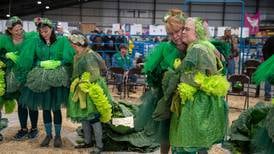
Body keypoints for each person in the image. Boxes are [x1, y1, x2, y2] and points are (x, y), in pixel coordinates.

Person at [168, 17, 229, 153]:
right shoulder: (208, 46)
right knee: (201, 143)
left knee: (187, 142)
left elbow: (193, 78)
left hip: (196, 103)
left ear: (197, 33)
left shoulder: (196, 49)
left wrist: (177, 73)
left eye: (187, 29)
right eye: (183, 28)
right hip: (208, 100)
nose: (183, 32)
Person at [134, 8, 187, 154]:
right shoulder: (165, 48)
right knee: (165, 129)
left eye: (178, 31)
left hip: (188, 98)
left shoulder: (193, 47)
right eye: (171, 34)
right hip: (167, 97)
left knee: (183, 132)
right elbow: (152, 71)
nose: (175, 36)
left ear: (185, 29)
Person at [17, 18, 75, 147]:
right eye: (41, 32)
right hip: (41, 79)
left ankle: (58, 136)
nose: (44, 34)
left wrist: (59, 62)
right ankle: (48, 135)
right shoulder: (36, 42)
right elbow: (30, 59)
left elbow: (68, 57)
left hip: (56, 79)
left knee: (56, 108)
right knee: (46, 108)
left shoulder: (62, 41)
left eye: (46, 31)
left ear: (51, 29)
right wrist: (40, 63)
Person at [67, 32, 112, 154]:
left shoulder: (90, 55)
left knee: (93, 118)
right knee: (84, 117)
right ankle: (88, 141)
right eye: (72, 45)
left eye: (74, 45)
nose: (73, 47)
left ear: (81, 43)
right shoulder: (77, 55)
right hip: (81, 87)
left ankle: (99, 145)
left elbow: (97, 72)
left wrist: (84, 82)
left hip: (91, 88)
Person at [0, 16, 38, 141]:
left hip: (29, 74)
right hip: (14, 76)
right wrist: (6, 55)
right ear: (10, 30)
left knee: (31, 103)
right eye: (16, 30)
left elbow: (37, 51)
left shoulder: (30, 37)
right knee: (21, 104)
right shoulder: (5, 40)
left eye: (21, 29)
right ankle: (23, 129)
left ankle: (34, 128)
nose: (19, 32)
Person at [261, 36, 274, 101]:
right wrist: (268, 59)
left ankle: (267, 94)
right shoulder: (271, 39)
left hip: (269, 60)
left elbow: (264, 49)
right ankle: (267, 94)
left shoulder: (270, 39)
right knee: (268, 78)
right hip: (270, 61)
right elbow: (264, 49)